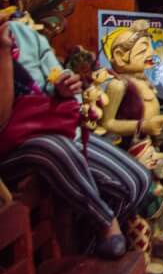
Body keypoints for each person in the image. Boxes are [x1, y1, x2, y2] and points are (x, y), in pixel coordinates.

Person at [0, 16, 152, 258]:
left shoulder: (23, 35)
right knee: (55, 149)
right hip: (12, 149)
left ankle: (84, 258)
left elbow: (59, 78)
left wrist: (63, 89)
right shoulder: (6, 43)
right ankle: (105, 223)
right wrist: (3, 50)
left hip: (51, 126)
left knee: (137, 181)